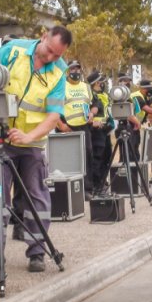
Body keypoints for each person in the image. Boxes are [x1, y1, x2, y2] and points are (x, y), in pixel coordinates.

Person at [0, 25, 71, 274]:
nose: (50, 58)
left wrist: (28, 135)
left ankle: (37, 253)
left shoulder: (59, 72)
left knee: (37, 198)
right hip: (2, 139)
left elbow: (53, 116)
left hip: (33, 144)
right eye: (49, 50)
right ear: (43, 37)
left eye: (57, 55)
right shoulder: (13, 51)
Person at [56, 60, 99, 199]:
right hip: (66, 128)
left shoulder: (86, 87)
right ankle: (67, 192)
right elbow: (51, 108)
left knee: (87, 157)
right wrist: (61, 125)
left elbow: (95, 104)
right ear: (68, 71)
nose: (75, 72)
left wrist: (92, 113)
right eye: (72, 69)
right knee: (68, 160)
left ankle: (87, 189)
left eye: (77, 69)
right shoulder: (61, 86)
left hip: (83, 127)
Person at [87, 71, 113, 195]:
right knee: (97, 159)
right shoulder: (90, 95)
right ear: (97, 83)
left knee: (106, 158)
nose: (104, 83)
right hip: (95, 132)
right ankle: (96, 186)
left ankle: (102, 182)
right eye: (101, 81)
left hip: (105, 131)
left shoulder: (103, 95)